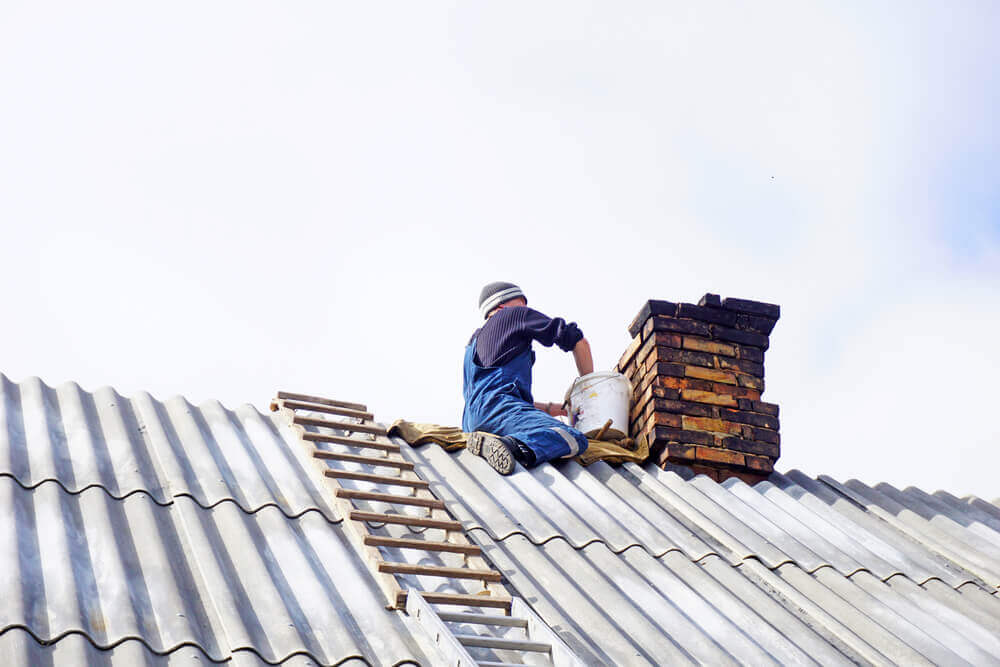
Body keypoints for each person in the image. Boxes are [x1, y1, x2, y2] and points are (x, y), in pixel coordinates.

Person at [462, 281, 594, 474]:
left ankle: (495, 445)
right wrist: (590, 393)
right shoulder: (512, 314)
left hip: (472, 423)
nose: (526, 309)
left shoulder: (472, 344)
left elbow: (494, 397)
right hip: (500, 411)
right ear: (501, 305)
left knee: (537, 426)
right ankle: (511, 446)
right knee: (573, 437)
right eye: (522, 304)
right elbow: (578, 341)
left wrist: (553, 409)